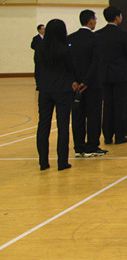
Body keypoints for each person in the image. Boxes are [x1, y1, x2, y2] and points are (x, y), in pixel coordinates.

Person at [34, 19, 79, 171]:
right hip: (63, 89)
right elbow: (71, 68)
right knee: (63, 125)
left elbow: (37, 71)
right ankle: (62, 162)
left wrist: (40, 85)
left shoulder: (39, 49)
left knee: (43, 125)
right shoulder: (65, 49)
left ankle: (43, 162)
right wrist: (75, 81)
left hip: (45, 90)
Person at [68, 10, 106, 157]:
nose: (95, 22)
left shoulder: (70, 38)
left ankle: (78, 147)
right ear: (90, 21)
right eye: (95, 19)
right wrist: (86, 81)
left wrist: (75, 80)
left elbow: (68, 62)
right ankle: (91, 146)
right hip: (92, 84)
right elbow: (96, 62)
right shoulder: (96, 39)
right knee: (93, 115)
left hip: (75, 85)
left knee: (77, 116)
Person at [96, 6, 127, 145]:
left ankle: (107, 135)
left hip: (104, 74)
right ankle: (119, 135)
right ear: (117, 17)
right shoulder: (123, 35)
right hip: (121, 74)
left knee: (107, 106)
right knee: (120, 106)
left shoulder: (99, 34)